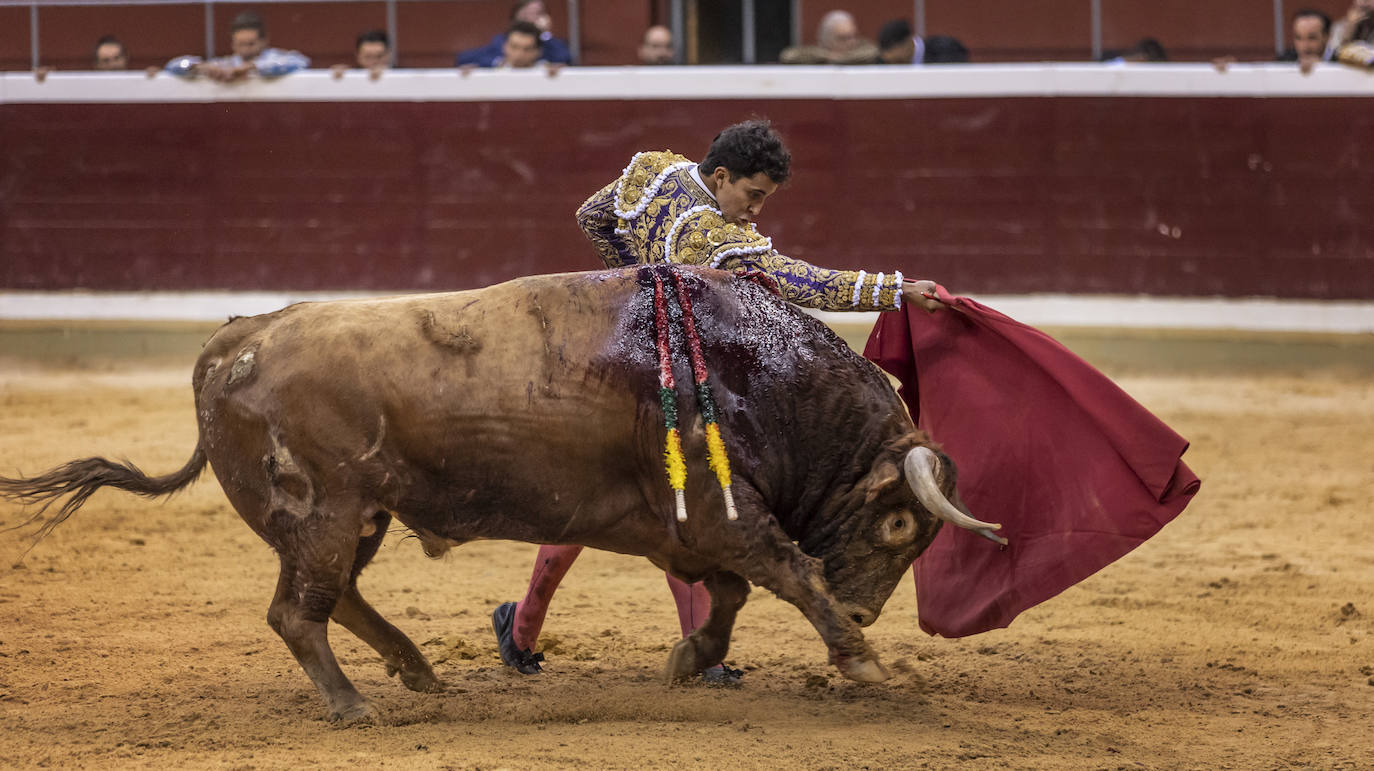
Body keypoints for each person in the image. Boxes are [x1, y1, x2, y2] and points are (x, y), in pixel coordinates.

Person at [491, 119, 945, 682]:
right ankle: (703, 656)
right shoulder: (716, 238)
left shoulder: (653, 170)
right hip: (675, 380)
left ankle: (520, 630)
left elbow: (593, 215)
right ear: (723, 176)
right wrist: (895, 290)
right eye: (753, 196)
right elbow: (800, 281)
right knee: (685, 502)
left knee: (596, 499)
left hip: (619, 364)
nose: (756, 211)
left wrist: (632, 287)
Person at [164, 11, 309, 81]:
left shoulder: (276, 58)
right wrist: (199, 66)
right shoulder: (227, 64)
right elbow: (173, 65)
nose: (245, 49)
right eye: (240, 44)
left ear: (264, 41)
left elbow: (300, 61)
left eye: (251, 44)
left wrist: (252, 67)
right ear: (233, 44)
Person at [456, 0, 573, 67]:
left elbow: (565, 58)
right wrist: (497, 63)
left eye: (538, 13)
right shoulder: (501, 41)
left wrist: (543, 35)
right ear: (516, 16)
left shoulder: (549, 44)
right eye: (527, 13)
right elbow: (464, 58)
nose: (532, 18)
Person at [780, 10, 879, 65]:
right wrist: (826, 56)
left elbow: (873, 52)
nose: (851, 42)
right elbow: (788, 56)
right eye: (843, 38)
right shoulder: (815, 54)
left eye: (853, 36)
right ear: (826, 40)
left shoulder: (863, 48)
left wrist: (838, 59)